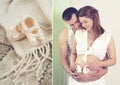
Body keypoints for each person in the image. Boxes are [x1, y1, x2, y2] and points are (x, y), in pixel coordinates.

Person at [59, 7, 108, 83]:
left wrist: (103, 71)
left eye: (76, 22)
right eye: (72, 25)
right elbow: (64, 59)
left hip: (93, 74)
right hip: (76, 73)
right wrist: (73, 74)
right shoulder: (64, 34)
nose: (76, 26)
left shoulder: (91, 29)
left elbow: (103, 55)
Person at [70, 6, 116, 85]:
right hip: (76, 80)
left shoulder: (107, 37)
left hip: (96, 81)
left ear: (94, 19)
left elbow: (113, 60)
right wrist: (71, 63)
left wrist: (99, 64)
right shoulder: (79, 33)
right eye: (81, 22)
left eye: (85, 22)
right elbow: (73, 53)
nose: (83, 25)